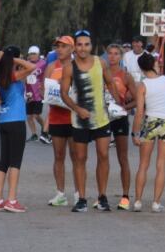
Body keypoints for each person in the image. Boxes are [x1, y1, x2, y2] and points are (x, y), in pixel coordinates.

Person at [61, 30, 114, 212]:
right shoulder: (69, 67)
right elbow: (63, 94)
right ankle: (82, 199)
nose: (83, 48)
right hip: (80, 120)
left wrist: (123, 104)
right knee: (80, 158)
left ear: (92, 46)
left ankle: (102, 197)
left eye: (86, 44)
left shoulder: (101, 63)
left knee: (104, 155)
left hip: (101, 118)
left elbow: (111, 84)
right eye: (80, 44)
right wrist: (77, 109)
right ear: (75, 47)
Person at [131, 51, 165, 212]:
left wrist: (135, 133)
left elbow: (139, 112)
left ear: (141, 68)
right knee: (161, 165)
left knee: (143, 164)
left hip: (150, 121)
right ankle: (156, 203)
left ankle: (137, 201)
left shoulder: (142, 86)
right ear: (154, 64)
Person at [0, 46, 36, 212]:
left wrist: (6, 59)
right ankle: (11, 199)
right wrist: (12, 59)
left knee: (4, 161)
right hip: (16, 120)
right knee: (15, 162)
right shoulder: (14, 76)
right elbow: (32, 67)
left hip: (3, 120)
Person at [42, 36, 76, 206]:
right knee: (59, 156)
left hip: (75, 117)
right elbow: (44, 91)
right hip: (56, 117)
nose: (59, 49)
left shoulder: (78, 66)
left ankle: (79, 193)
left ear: (72, 48)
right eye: (58, 46)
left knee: (77, 156)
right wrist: (55, 89)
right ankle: (60, 194)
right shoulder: (51, 67)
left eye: (63, 46)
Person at [103, 43, 135, 209]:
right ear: (106, 55)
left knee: (122, 157)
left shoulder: (126, 76)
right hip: (104, 118)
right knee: (103, 156)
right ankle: (102, 195)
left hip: (120, 118)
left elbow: (137, 99)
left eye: (116, 54)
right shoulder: (101, 73)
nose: (113, 56)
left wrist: (124, 108)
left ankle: (125, 196)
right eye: (110, 53)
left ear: (121, 57)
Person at [23, 45, 47, 142]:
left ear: (38, 55)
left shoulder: (43, 64)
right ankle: (34, 134)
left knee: (36, 115)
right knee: (29, 116)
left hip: (39, 93)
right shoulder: (26, 64)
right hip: (29, 93)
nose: (32, 56)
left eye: (34, 54)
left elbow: (47, 75)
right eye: (30, 54)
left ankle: (45, 129)